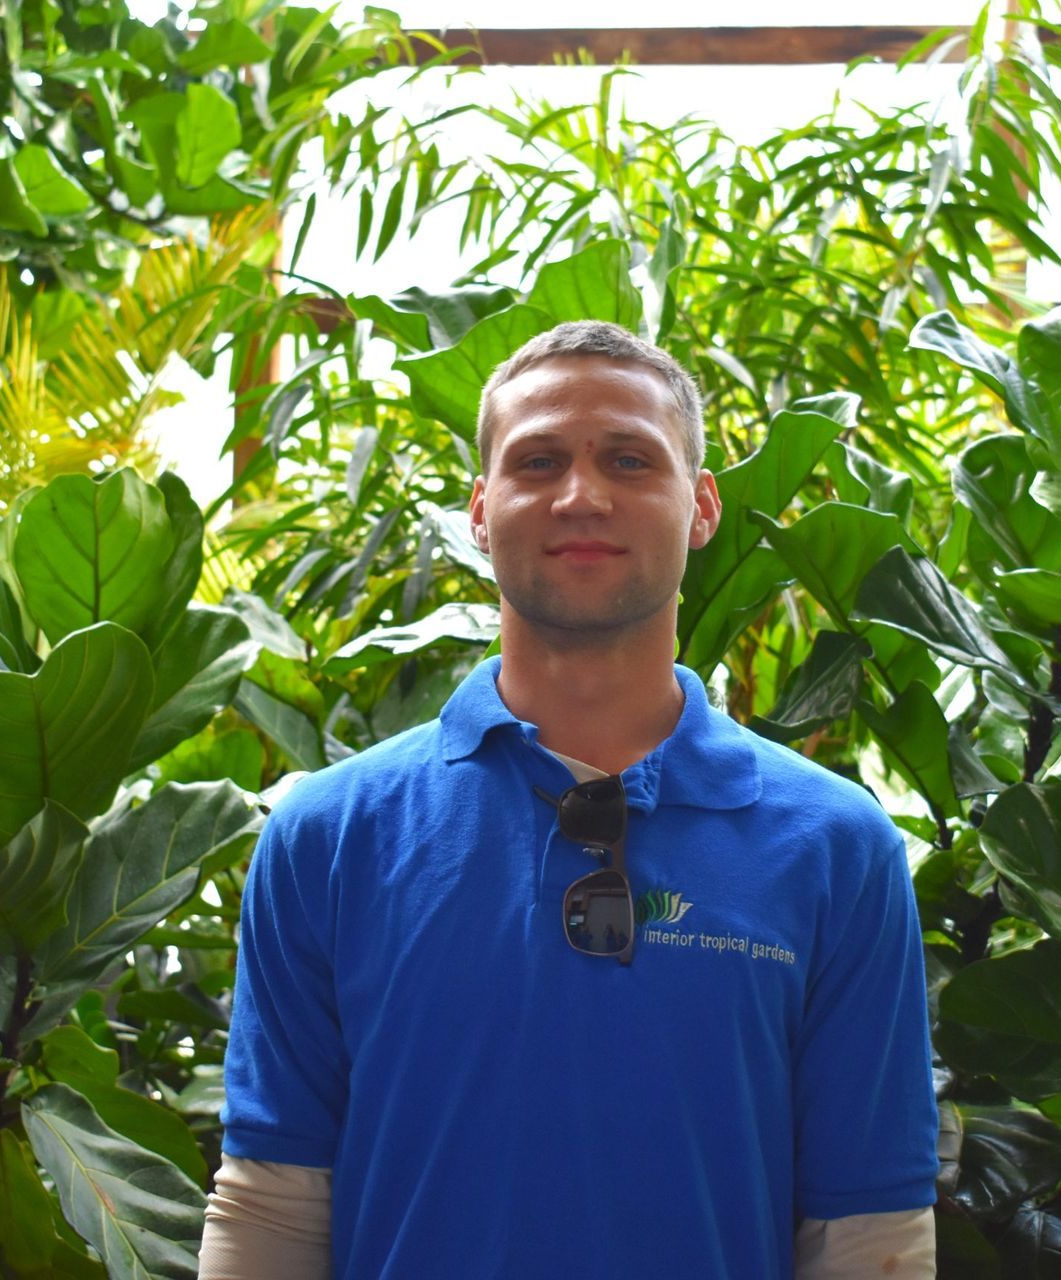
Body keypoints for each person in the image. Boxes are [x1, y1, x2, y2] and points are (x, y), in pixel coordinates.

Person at [199, 320, 940, 1279]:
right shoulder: (329, 836)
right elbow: (273, 1203)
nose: (581, 495)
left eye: (631, 460)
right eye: (538, 460)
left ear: (701, 505)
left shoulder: (838, 848)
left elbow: (867, 1234)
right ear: (478, 508)